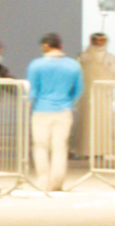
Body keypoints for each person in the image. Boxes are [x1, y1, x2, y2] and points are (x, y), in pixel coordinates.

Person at [23, 33, 82, 192]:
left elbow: (32, 91)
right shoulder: (73, 65)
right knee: (60, 147)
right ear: (61, 46)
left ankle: (44, 181)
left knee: (40, 146)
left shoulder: (36, 65)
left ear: (45, 46)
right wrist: (69, 102)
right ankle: (57, 183)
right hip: (64, 110)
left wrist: (25, 106)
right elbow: (79, 90)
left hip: (41, 111)